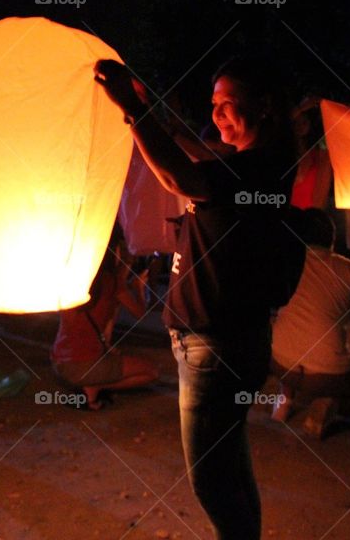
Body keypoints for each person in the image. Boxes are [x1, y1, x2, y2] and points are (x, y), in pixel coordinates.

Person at [96, 56, 300, 540]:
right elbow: (198, 156)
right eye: (213, 105)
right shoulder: (255, 165)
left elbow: (181, 177)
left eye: (228, 104)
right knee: (230, 465)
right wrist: (155, 116)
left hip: (217, 346)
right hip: (222, 342)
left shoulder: (258, 171)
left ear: (264, 106)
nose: (217, 115)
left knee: (211, 478)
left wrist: (131, 108)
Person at [270, 209, 350, 437]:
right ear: (332, 237)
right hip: (327, 376)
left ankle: (283, 401)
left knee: (291, 337)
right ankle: (326, 401)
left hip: (278, 364)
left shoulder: (283, 263)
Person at [51, 224, 159, 410]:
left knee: (110, 353)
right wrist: (139, 288)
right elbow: (140, 314)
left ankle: (90, 385)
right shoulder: (111, 283)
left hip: (59, 362)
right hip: (84, 366)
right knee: (150, 372)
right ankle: (94, 386)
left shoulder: (74, 279)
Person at [289, 96, 333, 210]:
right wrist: (301, 108)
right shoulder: (281, 151)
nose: (300, 126)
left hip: (309, 215)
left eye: (304, 122)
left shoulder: (318, 153)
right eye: (296, 122)